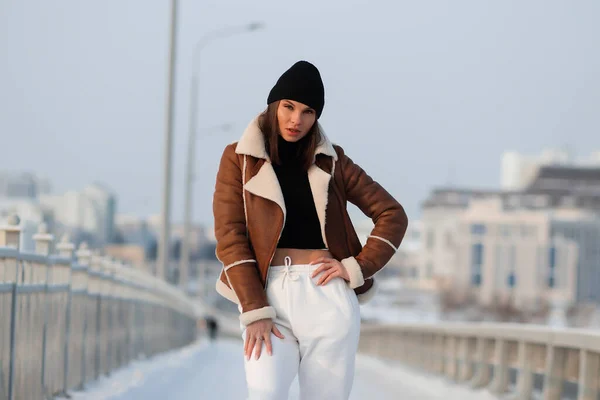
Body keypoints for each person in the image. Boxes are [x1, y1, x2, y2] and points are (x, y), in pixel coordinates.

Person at [213, 60, 408, 400]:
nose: (296, 120)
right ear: (274, 104)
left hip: (327, 297)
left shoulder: (333, 162)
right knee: (265, 392)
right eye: (288, 107)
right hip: (268, 296)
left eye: (308, 111)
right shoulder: (239, 159)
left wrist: (356, 267)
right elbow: (231, 238)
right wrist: (255, 310)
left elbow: (393, 214)